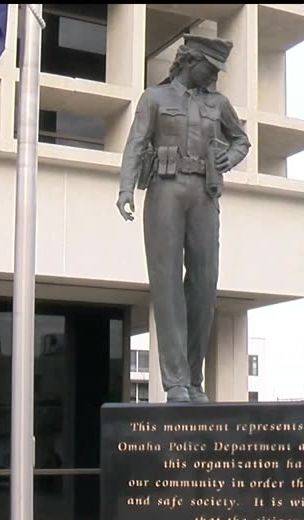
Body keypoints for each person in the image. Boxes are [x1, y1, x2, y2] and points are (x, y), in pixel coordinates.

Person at [117, 35, 251, 403]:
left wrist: (232, 158)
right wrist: (126, 188)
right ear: (191, 61)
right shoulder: (154, 98)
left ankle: (194, 379)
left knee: (205, 285)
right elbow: (135, 143)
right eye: (211, 68)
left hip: (204, 193)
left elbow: (242, 140)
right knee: (167, 285)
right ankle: (176, 381)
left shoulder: (219, 104)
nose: (215, 76)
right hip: (165, 191)